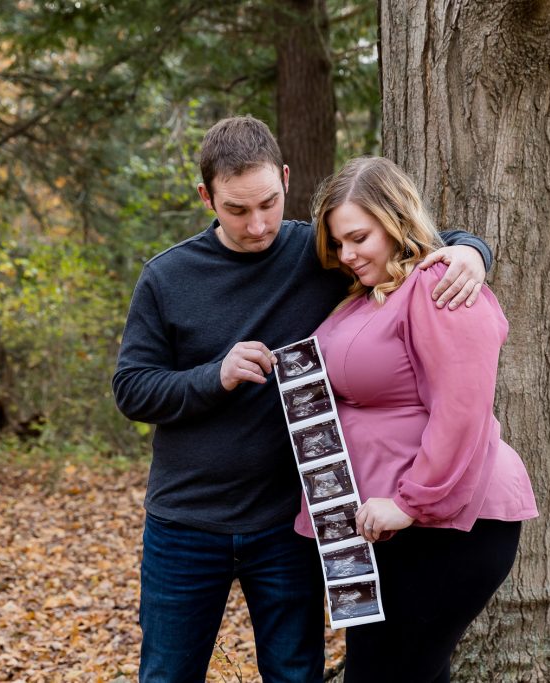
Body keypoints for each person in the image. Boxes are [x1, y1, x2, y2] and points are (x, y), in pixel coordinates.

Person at [111, 115, 494, 683]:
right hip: (185, 522)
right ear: (206, 197)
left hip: (288, 521)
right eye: (236, 209)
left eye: (268, 202)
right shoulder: (168, 277)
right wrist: (214, 375)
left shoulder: (318, 253)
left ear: (286, 178)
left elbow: (402, 244)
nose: (257, 224)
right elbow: (132, 388)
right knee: (167, 674)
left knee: (295, 674)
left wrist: (472, 251)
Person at [295, 156, 539, 683]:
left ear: (395, 219)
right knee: (402, 672)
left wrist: (411, 502)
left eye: (359, 237)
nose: (348, 254)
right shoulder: (364, 298)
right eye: (338, 244)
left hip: (441, 525)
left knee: (390, 673)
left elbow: (462, 407)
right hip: (376, 526)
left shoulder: (438, 285)